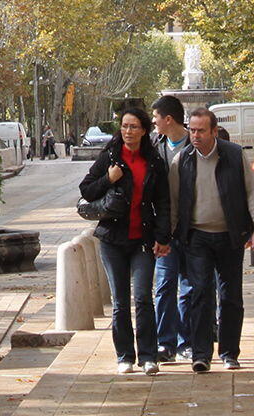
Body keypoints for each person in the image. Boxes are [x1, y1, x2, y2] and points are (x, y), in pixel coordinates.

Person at [79, 107, 172, 375]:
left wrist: (163, 236)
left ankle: (148, 356)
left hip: (142, 239)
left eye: (133, 127)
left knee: (143, 297)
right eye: (124, 126)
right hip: (112, 239)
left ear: (144, 130)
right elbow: (86, 189)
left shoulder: (153, 162)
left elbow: (163, 202)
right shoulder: (110, 156)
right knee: (120, 302)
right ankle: (125, 356)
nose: (128, 132)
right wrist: (109, 178)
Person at [173, 107, 254, 372]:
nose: (195, 136)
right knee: (200, 294)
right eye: (192, 130)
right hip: (197, 237)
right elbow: (174, 199)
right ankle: (201, 354)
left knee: (230, 296)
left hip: (229, 235)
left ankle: (229, 352)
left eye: (201, 130)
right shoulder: (183, 159)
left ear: (214, 131)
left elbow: (252, 193)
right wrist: (168, 236)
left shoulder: (234, 156)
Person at [149, 95, 192, 363]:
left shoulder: (196, 142)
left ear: (169, 119)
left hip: (194, 228)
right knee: (164, 285)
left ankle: (187, 341)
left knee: (191, 286)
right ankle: (165, 343)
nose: (153, 123)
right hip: (165, 229)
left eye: (156, 118)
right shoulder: (155, 145)